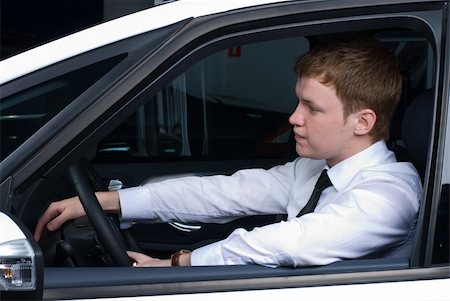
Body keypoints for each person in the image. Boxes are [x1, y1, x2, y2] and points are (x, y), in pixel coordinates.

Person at [34, 37, 422, 268]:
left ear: (363, 121)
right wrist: (109, 201)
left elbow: (288, 242)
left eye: (312, 108)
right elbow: (223, 193)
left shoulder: (387, 196)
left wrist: (178, 263)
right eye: (297, 102)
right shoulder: (315, 169)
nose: (293, 118)